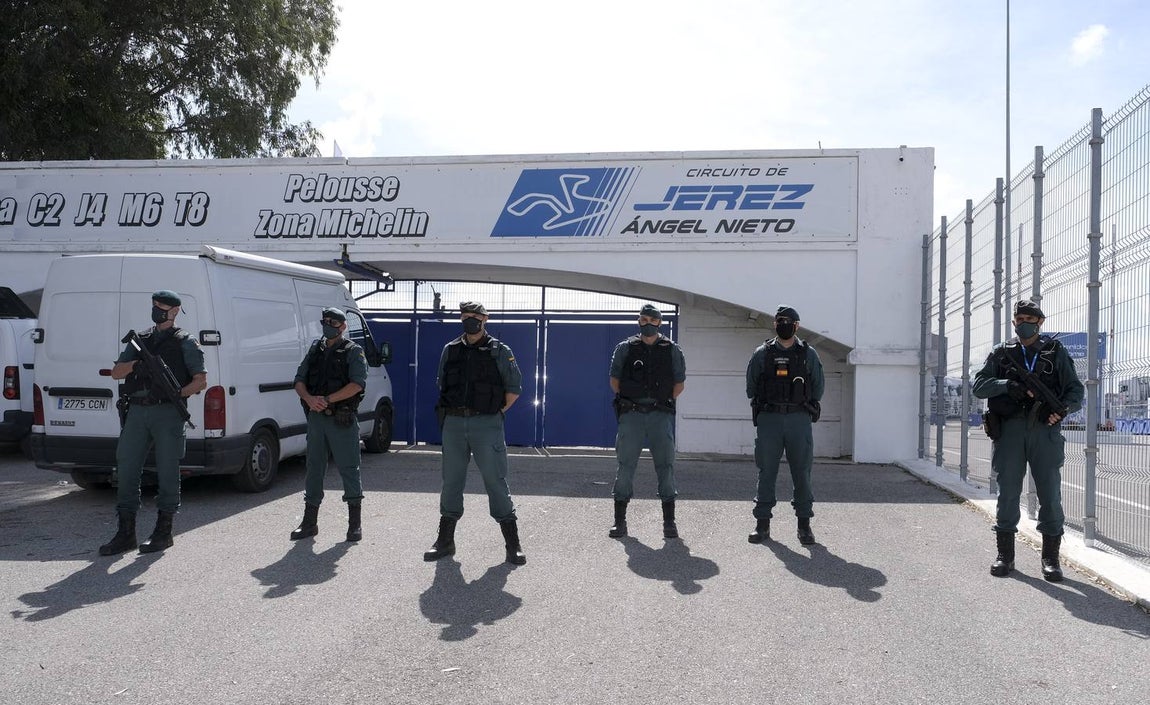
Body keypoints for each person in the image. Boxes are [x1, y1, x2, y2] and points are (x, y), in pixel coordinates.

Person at [972, 299, 1083, 581]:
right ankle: (1005, 557)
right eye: (1020, 319)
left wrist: (1062, 411)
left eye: (1030, 320)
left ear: (1040, 323)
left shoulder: (1055, 352)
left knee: (1050, 494)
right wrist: (1007, 385)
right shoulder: (1001, 354)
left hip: (1044, 431)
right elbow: (979, 386)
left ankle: (1050, 559)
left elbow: (1075, 391)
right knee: (1007, 492)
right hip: (1009, 431)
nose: (1024, 324)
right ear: (1013, 322)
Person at [99, 290, 207, 556]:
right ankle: (126, 533)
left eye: (161, 306)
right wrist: (137, 365)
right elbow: (116, 372)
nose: (156, 309)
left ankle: (163, 531)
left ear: (174, 310)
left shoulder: (186, 342)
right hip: (137, 411)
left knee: (168, 470)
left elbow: (200, 381)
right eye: (154, 305)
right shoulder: (140, 341)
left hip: (168, 412)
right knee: (126, 468)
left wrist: (175, 393)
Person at [423, 302, 527, 565]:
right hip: (455, 424)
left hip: (486, 424)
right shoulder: (451, 350)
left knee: (495, 480)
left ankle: (512, 545)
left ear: (485, 319)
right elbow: (441, 383)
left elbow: (513, 389)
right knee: (451, 481)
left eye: (475, 317)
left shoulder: (500, 351)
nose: (470, 320)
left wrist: (493, 411)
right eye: (466, 316)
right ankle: (445, 541)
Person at [745, 305, 824, 546]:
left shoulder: (808, 354)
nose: (784, 324)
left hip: (799, 419)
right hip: (769, 419)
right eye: (780, 320)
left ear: (797, 325)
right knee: (766, 471)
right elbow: (751, 386)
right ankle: (762, 525)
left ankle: (804, 526)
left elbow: (818, 388)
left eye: (788, 321)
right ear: (775, 324)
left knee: (801, 471)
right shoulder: (762, 353)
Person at [607, 304, 687, 540]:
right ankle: (619, 521)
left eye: (653, 320)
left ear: (660, 323)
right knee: (625, 466)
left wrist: (659, 401)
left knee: (666, 465)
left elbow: (679, 384)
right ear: (638, 321)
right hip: (631, 414)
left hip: (659, 415)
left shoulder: (672, 350)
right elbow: (614, 381)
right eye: (643, 319)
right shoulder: (625, 348)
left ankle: (669, 522)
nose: (648, 323)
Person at [289, 307, 369, 543]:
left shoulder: (353, 352)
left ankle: (354, 525)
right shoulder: (316, 349)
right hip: (316, 419)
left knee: (349, 469)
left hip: (340, 418)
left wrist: (327, 400)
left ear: (343, 327)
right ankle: (309, 523)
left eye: (333, 322)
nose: (328, 325)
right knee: (313, 468)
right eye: (325, 321)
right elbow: (299, 380)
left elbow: (357, 384)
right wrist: (308, 398)